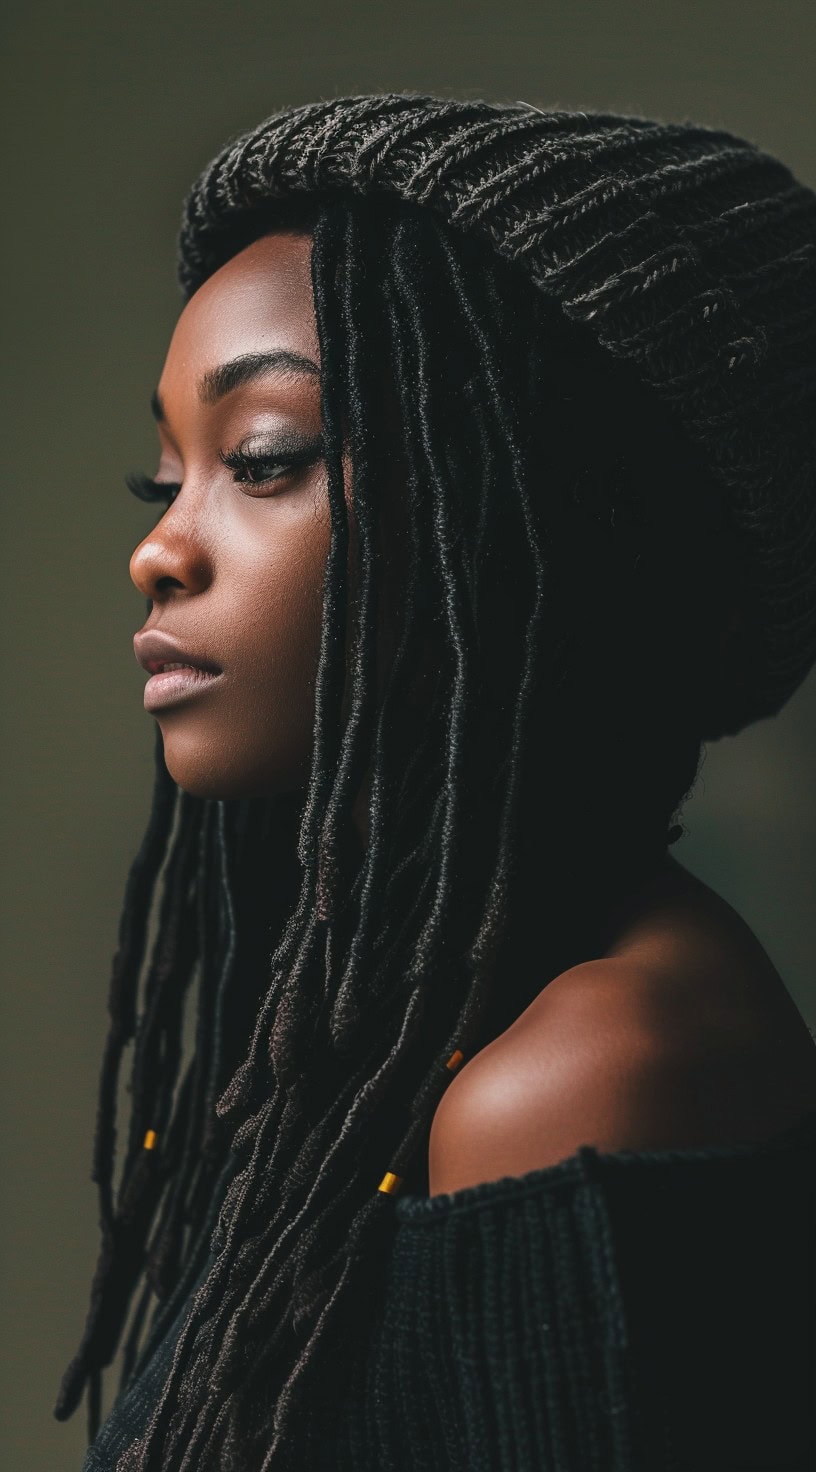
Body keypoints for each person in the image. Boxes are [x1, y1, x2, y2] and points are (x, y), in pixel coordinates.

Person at [56, 94, 816, 1471]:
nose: (160, 551)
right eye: (160, 480)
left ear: (546, 520)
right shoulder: (391, 1040)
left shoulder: (600, 1072)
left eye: (263, 460)